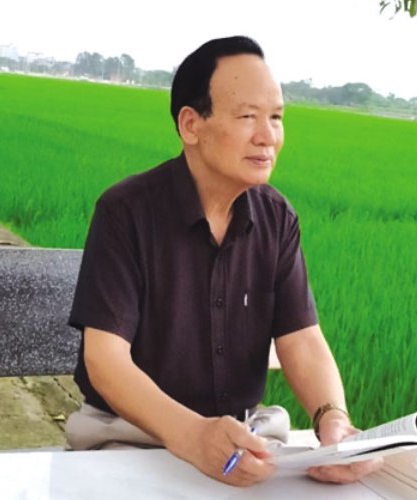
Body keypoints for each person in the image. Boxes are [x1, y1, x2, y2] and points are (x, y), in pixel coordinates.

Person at [66, 35, 383, 487]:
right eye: (248, 116)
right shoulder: (126, 212)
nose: (267, 136)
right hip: (130, 437)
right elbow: (105, 360)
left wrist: (333, 419)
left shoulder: (276, 218)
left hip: (245, 439)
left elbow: (302, 338)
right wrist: (193, 436)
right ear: (191, 125)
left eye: (276, 117)